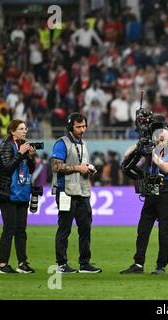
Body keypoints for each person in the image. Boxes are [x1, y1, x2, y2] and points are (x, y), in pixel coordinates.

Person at [120, 125, 168, 275]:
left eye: (163, 133)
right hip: (152, 191)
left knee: (164, 232)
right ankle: (138, 264)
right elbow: (126, 154)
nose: (160, 135)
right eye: (158, 133)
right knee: (143, 229)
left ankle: (161, 265)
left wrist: (154, 155)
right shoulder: (152, 147)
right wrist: (140, 143)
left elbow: (167, 168)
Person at [51, 113, 102, 273]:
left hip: (83, 191)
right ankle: (61, 264)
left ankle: (85, 263)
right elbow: (56, 166)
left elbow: (81, 164)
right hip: (66, 192)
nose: (82, 130)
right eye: (78, 127)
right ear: (70, 127)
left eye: (84, 126)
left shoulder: (83, 143)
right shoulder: (61, 143)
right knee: (64, 228)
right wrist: (78, 168)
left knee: (85, 228)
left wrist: (88, 168)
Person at [0, 119, 36, 273]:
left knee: (21, 230)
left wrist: (31, 156)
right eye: (21, 128)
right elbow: (7, 168)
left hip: (23, 191)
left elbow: (31, 170)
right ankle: (3, 264)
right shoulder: (5, 145)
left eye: (25, 128)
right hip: (8, 193)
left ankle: (22, 263)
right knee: (9, 229)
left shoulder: (23, 144)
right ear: (12, 131)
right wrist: (20, 153)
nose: (25, 131)